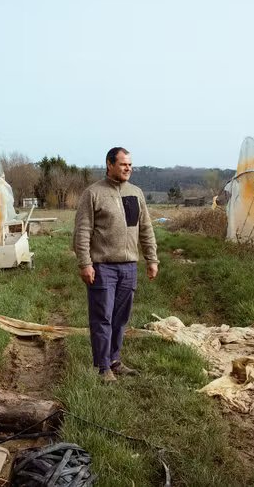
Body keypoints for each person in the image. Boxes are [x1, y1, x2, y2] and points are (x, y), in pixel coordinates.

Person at [73, 147, 159, 382]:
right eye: (123, 164)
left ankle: (114, 360)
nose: (128, 168)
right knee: (102, 317)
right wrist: (85, 263)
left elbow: (146, 229)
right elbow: (82, 231)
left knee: (120, 318)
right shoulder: (93, 193)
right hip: (103, 267)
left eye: (130, 164)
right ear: (109, 164)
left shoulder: (136, 193)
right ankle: (102, 368)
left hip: (129, 266)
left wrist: (152, 259)